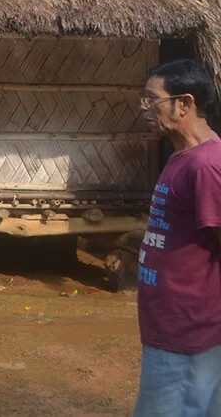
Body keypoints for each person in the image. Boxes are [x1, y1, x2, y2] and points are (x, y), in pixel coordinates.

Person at [134, 59, 221, 415]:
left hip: (189, 336)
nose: (144, 109)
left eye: (151, 99)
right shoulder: (182, 157)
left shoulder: (207, 167)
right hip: (172, 329)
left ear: (184, 104)